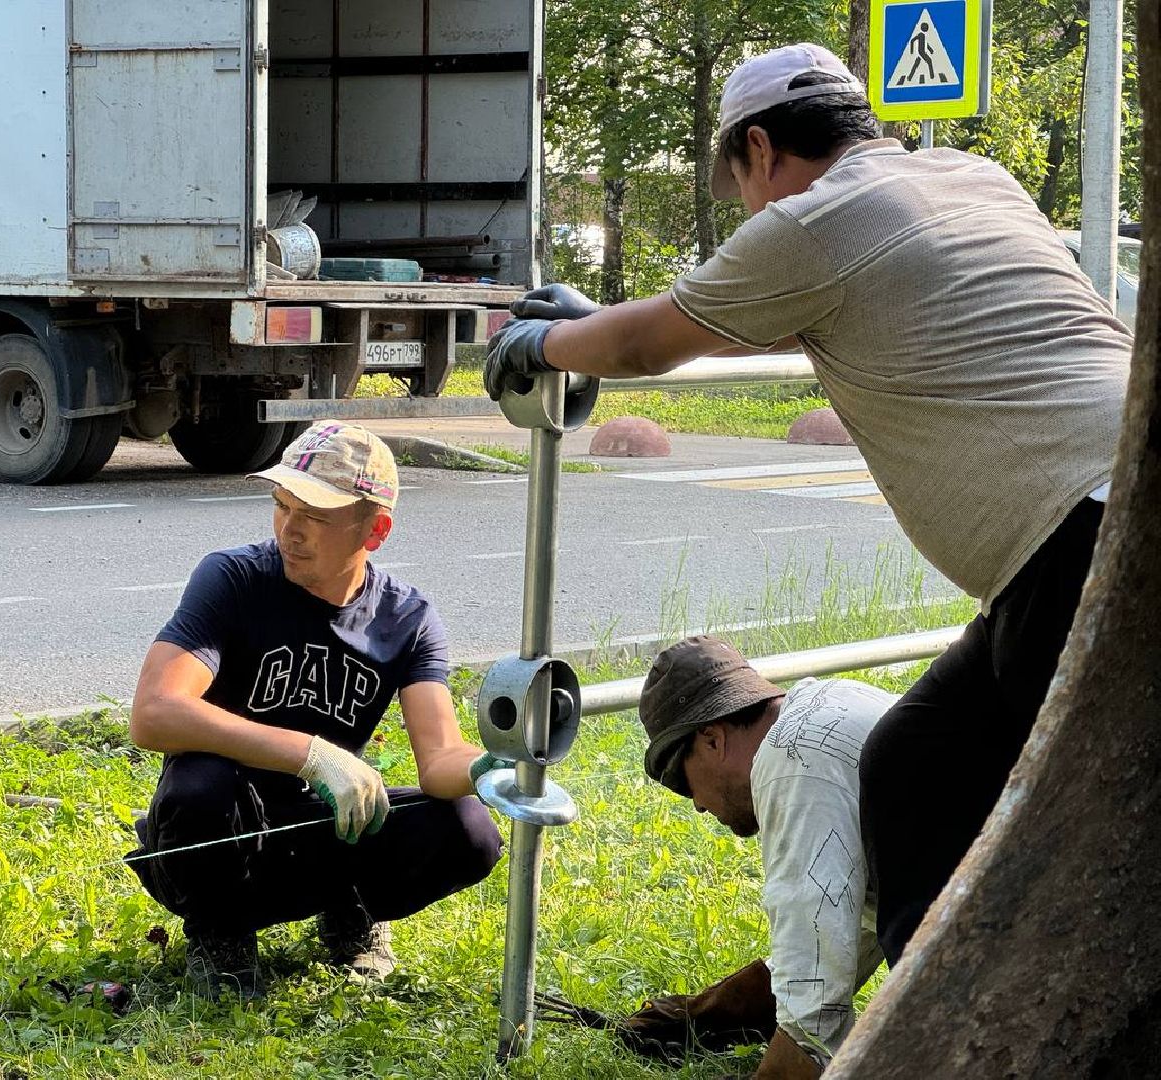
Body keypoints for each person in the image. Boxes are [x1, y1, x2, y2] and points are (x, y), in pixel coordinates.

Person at [485, 42, 1130, 966]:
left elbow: (649, 347)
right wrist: (592, 324)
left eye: (741, 186)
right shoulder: (970, 177)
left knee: (1098, 834)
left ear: (760, 147)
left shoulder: (815, 219)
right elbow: (779, 314)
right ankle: (929, 1015)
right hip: (1096, 514)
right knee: (915, 764)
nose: (749, 209)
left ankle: (1025, 1016)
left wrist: (543, 346)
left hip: (1079, 539)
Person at [125, 421, 504, 998]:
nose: (289, 531)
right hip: (227, 822)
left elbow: (439, 760)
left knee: (468, 829)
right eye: (281, 506)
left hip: (330, 822)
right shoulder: (233, 577)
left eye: (316, 517)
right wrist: (310, 754)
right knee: (197, 787)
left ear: (375, 531)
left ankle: (352, 910)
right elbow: (154, 712)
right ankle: (220, 931)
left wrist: (493, 764)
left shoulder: (407, 618)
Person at [570, 637, 895, 1077]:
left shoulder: (792, 762)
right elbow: (850, 927)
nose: (697, 805)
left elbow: (814, 1015)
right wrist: (710, 1013)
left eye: (681, 781)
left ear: (711, 740)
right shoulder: (830, 705)